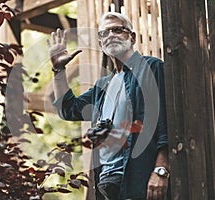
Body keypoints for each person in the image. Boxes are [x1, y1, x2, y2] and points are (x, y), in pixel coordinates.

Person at [46, 12, 169, 200]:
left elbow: (165, 121)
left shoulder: (151, 68)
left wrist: (161, 169)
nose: (110, 35)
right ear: (100, 44)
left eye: (117, 30)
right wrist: (58, 70)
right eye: (104, 33)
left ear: (132, 37)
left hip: (139, 179)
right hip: (106, 183)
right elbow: (68, 109)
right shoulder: (102, 87)